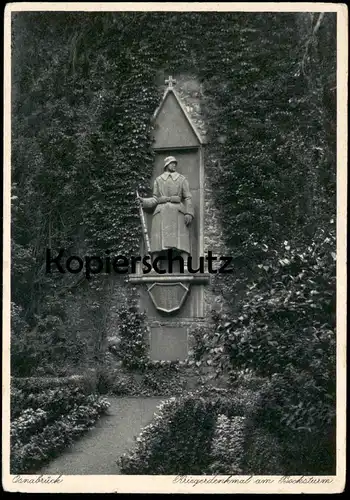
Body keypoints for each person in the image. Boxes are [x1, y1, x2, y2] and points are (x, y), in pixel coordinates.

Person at [138, 156, 194, 270]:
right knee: (157, 241)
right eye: (172, 163)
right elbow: (155, 199)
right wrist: (143, 201)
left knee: (181, 240)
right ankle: (155, 265)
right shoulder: (158, 180)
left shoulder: (181, 179)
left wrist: (189, 212)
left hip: (178, 211)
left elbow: (188, 197)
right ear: (166, 165)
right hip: (161, 211)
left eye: (175, 163)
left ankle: (185, 264)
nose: (174, 165)